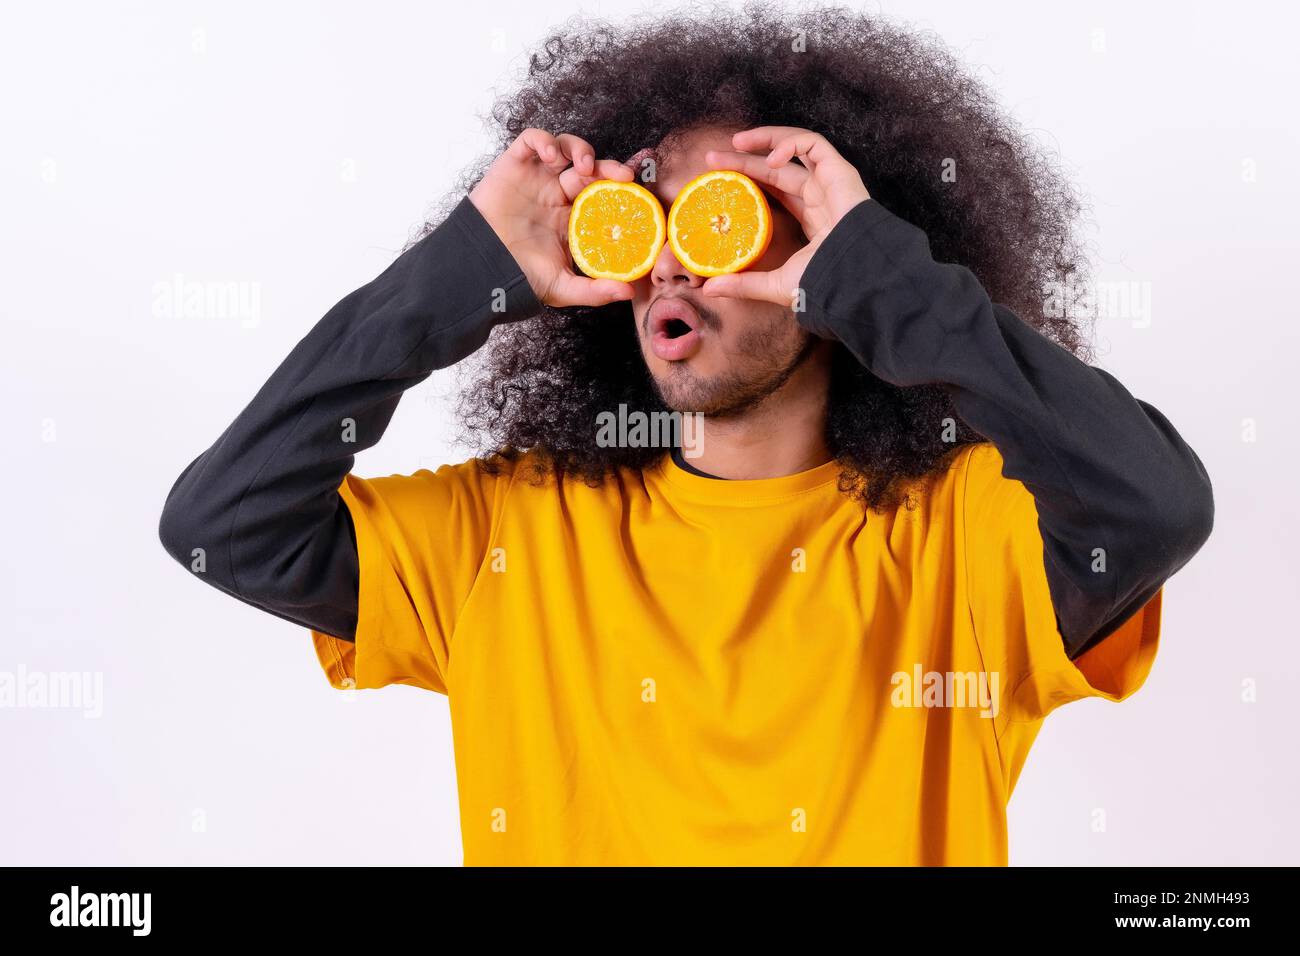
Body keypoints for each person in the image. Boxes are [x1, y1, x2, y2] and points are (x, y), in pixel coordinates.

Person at [159, 9, 1213, 865]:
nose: (671, 259)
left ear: (831, 251)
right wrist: (451, 280)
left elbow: (1150, 505)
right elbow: (226, 522)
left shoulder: (963, 540)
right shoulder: (504, 534)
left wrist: (896, 293)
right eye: (650, 219)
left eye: (725, 215)